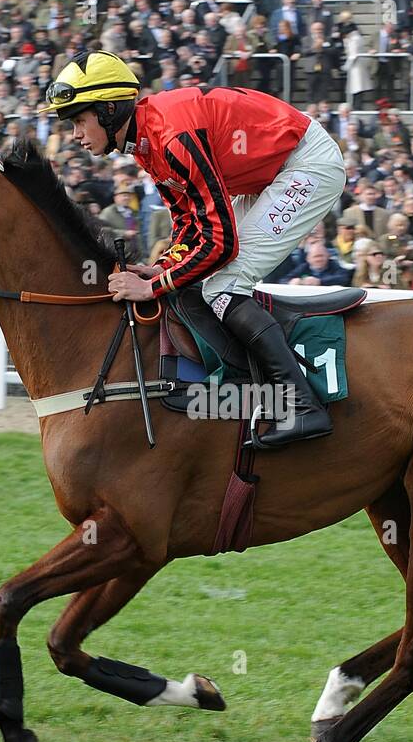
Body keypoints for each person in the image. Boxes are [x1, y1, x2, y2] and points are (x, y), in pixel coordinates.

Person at [40, 50, 347, 447]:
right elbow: (189, 224)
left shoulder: (171, 137)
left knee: (223, 281)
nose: (76, 134)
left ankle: (303, 405)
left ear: (110, 109)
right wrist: (161, 267)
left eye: (79, 120)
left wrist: (153, 288)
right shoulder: (145, 140)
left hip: (306, 166)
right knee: (199, 275)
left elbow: (221, 243)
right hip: (270, 172)